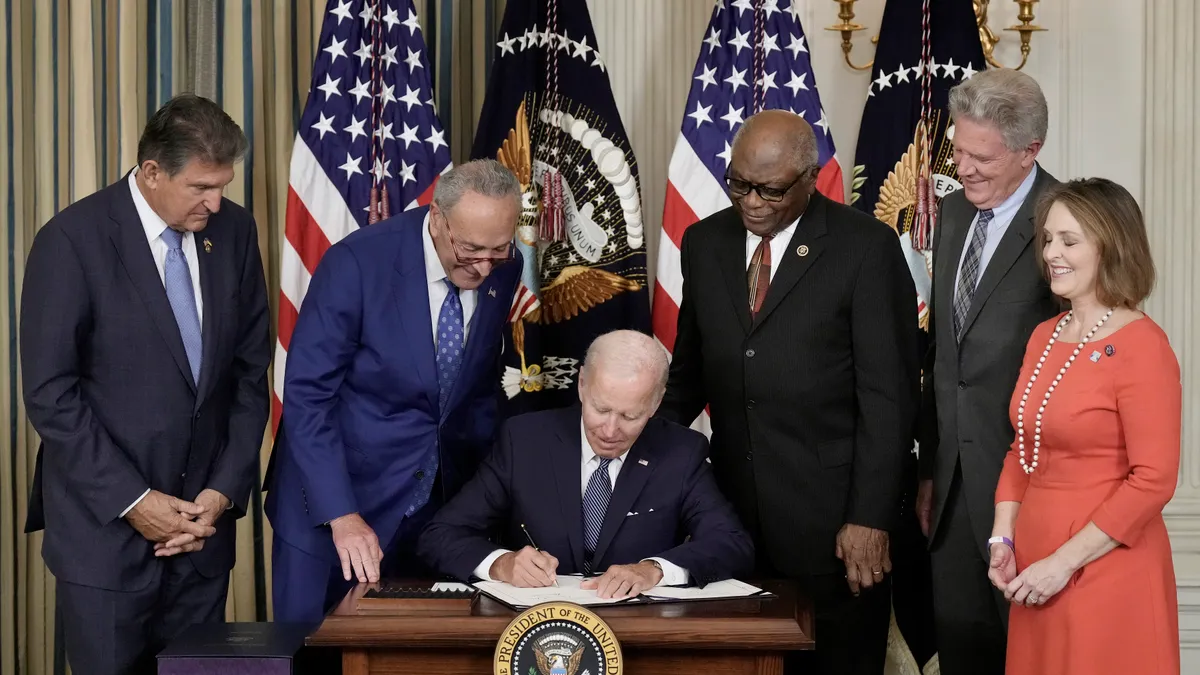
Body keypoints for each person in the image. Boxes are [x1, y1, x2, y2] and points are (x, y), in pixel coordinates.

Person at [658, 109, 919, 675]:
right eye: (739, 184)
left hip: (834, 527)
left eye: (770, 190)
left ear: (811, 178)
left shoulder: (865, 248)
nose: (751, 202)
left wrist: (869, 519)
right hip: (729, 521)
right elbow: (689, 375)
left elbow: (889, 399)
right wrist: (638, 462)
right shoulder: (705, 242)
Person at [20, 94, 270, 675]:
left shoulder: (232, 232)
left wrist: (221, 494)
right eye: (201, 187)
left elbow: (249, 376)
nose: (216, 202)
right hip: (104, 540)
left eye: (222, 185)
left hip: (201, 536)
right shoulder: (72, 240)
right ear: (152, 172)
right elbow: (51, 394)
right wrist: (135, 503)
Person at [264, 159, 525, 623]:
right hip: (335, 504)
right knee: (313, 653)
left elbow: (476, 387)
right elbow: (308, 396)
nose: (486, 266)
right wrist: (341, 515)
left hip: (433, 507)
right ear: (439, 219)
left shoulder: (505, 266)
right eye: (471, 249)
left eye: (498, 250)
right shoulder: (358, 264)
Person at [988, 178, 1179, 675]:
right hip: (1035, 569)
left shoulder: (1143, 345)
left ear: (1111, 247)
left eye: (1069, 241)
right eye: (1048, 238)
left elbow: (1154, 480)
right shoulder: (1044, 336)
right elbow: (1020, 452)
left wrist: (1062, 563)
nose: (1052, 252)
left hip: (1106, 570)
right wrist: (1003, 540)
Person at [419, 330, 754, 597]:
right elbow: (440, 535)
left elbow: (732, 543)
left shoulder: (681, 451)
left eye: (630, 416)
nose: (610, 430)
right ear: (581, 385)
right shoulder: (523, 440)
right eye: (600, 409)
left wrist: (653, 569)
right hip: (534, 628)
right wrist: (502, 564)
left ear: (656, 402)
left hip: (640, 631)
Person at [915, 68, 1061, 675]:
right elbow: (942, 357)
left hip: (1032, 492)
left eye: (983, 157)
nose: (964, 168)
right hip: (950, 492)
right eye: (959, 150)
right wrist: (928, 471)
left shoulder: (1067, 220)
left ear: (1030, 151)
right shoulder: (951, 215)